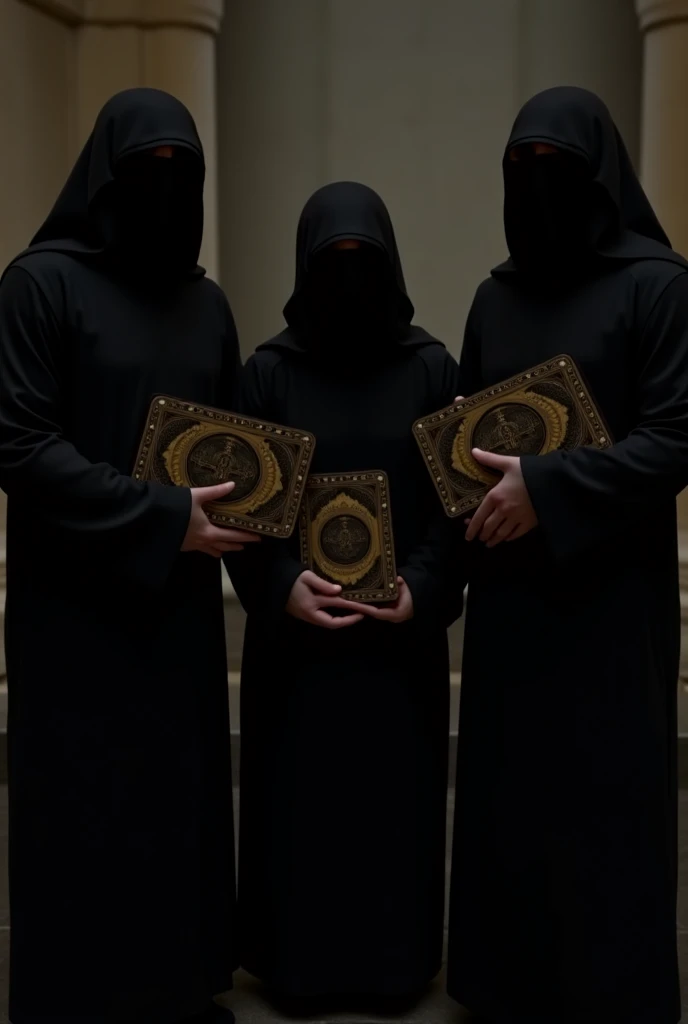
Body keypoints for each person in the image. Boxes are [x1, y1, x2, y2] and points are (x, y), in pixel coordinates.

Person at [0, 89, 257, 1023]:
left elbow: (237, 454)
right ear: (105, 178)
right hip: (71, 613)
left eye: (182, 173)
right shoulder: (39, 286)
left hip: (175, 612)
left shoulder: (206, 305)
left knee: (171, 806)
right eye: (147, 171)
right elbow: (20, 445)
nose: (165, 189)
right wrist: (162, 518)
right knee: (80, 810)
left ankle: (177, 993)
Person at [447, 86, 688, 1024]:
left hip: (612, 607)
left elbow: (674, 437)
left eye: (559, 170)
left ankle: (611, 993)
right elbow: (465, 438)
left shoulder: (660, 287)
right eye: (522, 169)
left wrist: (543, 490)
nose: (538, 187)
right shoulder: (494, 296)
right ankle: (504, 985)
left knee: (608, 805)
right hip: (513, 604)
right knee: (514, 801)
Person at [232, 181, 462, 1012]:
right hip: (296, 650)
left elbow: (459, 506)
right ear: (305, 266)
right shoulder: (266, 374)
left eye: (364, 260)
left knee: (390, 814)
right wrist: (284, 585)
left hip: (398, 646)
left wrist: (424, 590)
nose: (349, 275)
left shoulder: (433, 369)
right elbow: (242, 510)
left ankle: (396, 967)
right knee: (302, 815)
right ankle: (297, 969)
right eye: (334, 261)